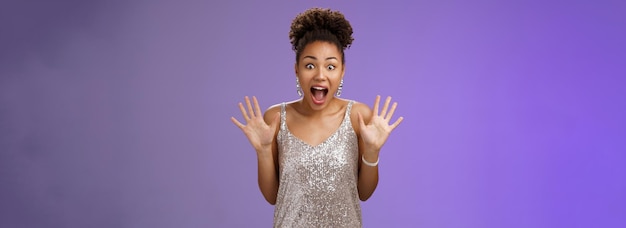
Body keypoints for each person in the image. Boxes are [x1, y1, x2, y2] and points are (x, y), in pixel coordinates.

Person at [231, 7, 403, 227]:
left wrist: (372, 150)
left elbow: (364, 193)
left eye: (330, 66)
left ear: (342, 71)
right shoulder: (275, 118)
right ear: (296, 70)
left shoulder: (358, 116)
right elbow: (273, 197)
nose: (320, 75)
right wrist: (263, 152)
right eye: (310, 65)